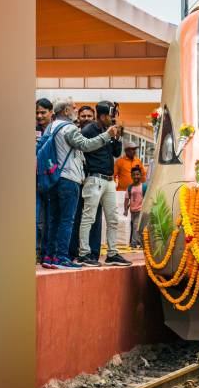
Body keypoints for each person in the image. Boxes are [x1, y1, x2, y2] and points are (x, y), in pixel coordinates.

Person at [41, 99, 121, 270]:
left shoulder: (51, 127)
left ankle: (49, 256)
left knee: (54, 219)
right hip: (68, 177)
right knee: (67, 220)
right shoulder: (69, 128)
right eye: (73, 107)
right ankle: (62, 257)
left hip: (53, 176)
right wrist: (107, 135)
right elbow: (85, 145)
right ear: (65, 110)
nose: (75, 110)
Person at [76, 101, 132, 267]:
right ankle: (84, 253)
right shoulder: (89, 130)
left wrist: (118, 137)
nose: (113, 118)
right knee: (88, 218)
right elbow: (85, 148)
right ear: (102, 116)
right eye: (110, 115)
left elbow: (115, 152)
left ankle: (112, 253)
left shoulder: (107, 130)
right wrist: (108, 135)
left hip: (108, 181)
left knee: (113, 219)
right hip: (94, 179)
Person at [35, 98, 54, 263]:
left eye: (43, 112)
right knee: (36, 219)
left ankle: (48, 253)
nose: (39, 116)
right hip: (35, 182)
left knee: (50, 219)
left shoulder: (56, 129)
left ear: (51, 112)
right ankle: (37, 251)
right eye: (37, 113)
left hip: (53, 181)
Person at [124, 166, 147, 249]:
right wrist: (125, 210)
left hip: (140, 210)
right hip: (132, 211)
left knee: (136, 226)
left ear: (141, 175)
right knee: (136, 226)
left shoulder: (144, 187)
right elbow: (126, 199)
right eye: (133, 175)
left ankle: (134, 243)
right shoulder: (130, 188)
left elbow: (147, 198)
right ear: (131, 176)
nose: (135, 176)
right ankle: (141, 243)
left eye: (137, 174)